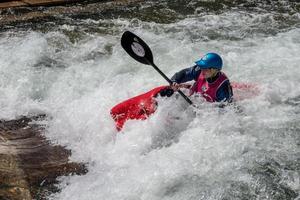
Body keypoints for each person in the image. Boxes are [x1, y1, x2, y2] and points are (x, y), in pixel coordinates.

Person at [160, 52, 233, 103]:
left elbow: (224, 111)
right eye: (202, 67)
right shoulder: (199, 70)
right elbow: (184, 73)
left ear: (214, 70)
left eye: (205, 68)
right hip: (195, 95)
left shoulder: (223, 88)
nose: (202, 70)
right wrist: (174, 81)